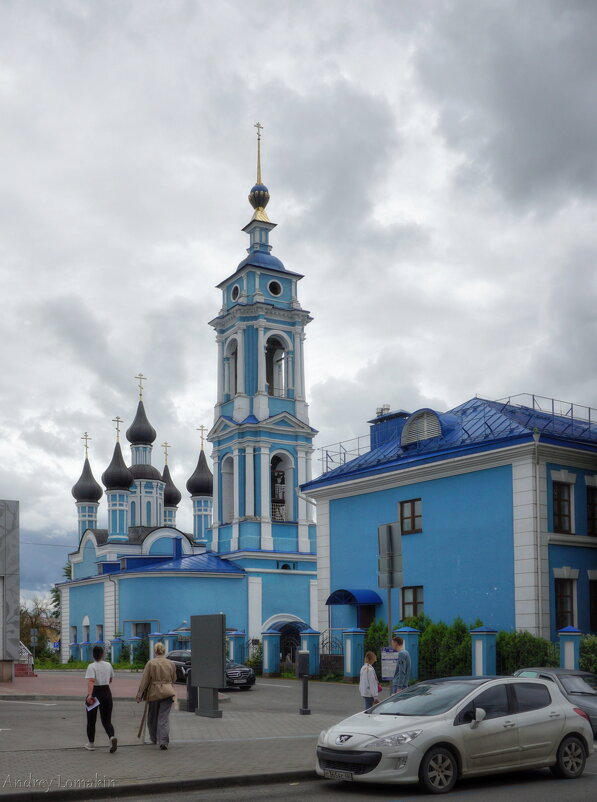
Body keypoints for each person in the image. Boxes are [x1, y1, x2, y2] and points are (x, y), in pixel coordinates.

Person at [136, 641, 177, 750]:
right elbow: (174, 679)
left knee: (152, 718)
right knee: (163, 718)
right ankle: (163, 741)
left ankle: (153, 739)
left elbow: (145, 680)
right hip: (168, 692)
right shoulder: (170, 663)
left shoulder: (151, 663)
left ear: (155, 651)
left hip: (154, 693)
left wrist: (140, 694)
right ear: (164, 651)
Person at [84, 645, 117, 752]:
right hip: (107, 692)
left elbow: (91, 681)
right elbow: (111, 679)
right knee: (107, 720)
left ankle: (91, 744)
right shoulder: (108, 665)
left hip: (95, 693)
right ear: (102, 654)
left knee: (91, 720)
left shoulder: (91, 666)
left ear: (93, 655)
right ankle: (111, 737)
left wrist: (89, 695)